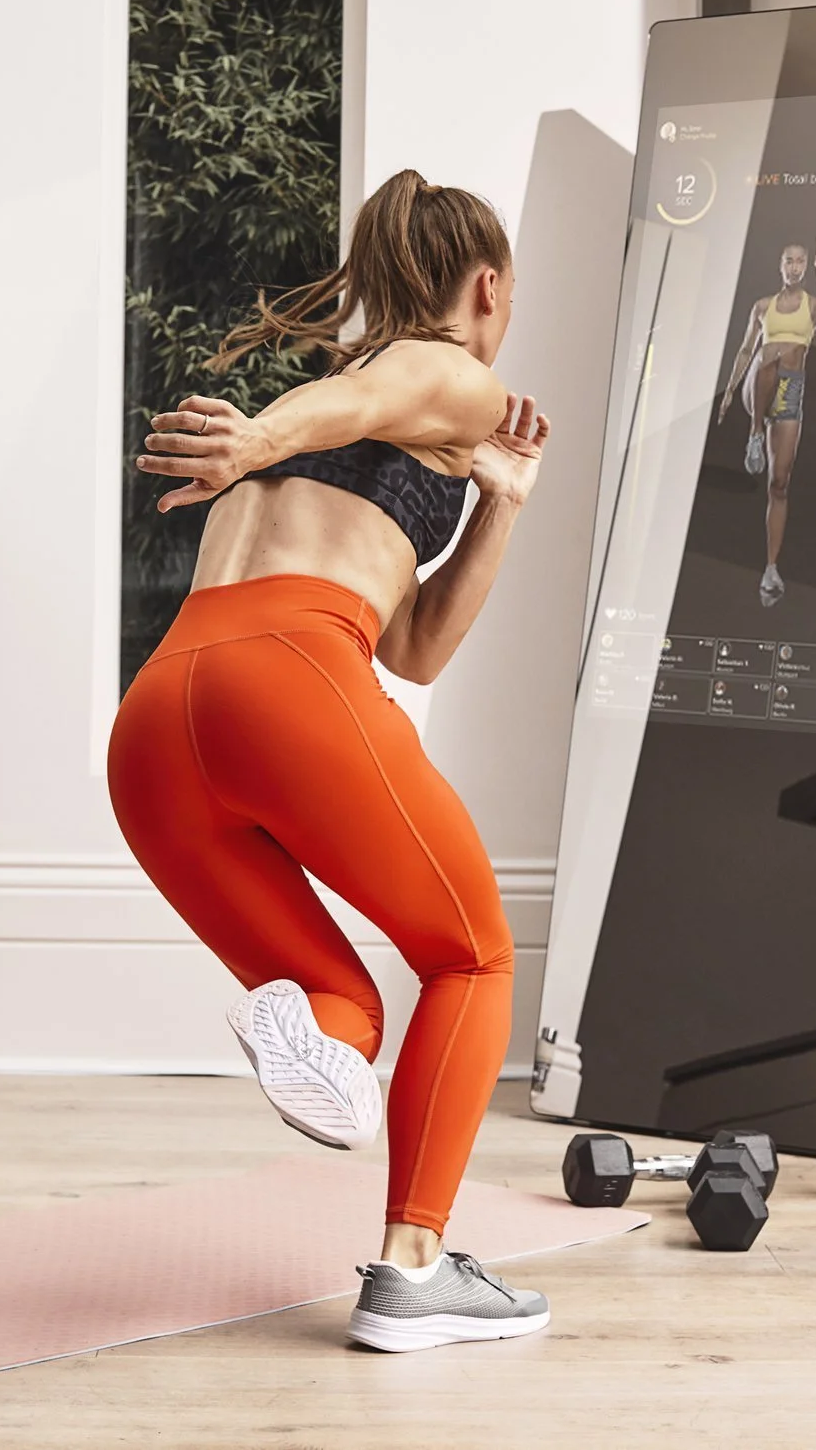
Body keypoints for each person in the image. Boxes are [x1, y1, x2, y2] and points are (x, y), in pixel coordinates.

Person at [109, 169, 554, 1353]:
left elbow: (413, 649)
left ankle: (324, 1043)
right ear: (486, 282)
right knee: (472, 953)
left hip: (159, 721)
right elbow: (361, 400)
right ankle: (414, 1265)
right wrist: (259, 428)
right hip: (286, 680)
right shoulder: (436, 370)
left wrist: (499, 502)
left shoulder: (371, 433)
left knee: (343, 1002)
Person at [716, 238, 816, 606]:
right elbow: (744, 350)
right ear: (780, 264)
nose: (795, 267)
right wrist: (728, 391)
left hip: (790, 395)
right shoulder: (762, 307)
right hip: (757, 388)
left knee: (780, 483)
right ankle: (755, 434)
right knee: (773, 352)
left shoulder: (811, 305)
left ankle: (771, 567)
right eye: (790, 261)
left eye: (802, 262)